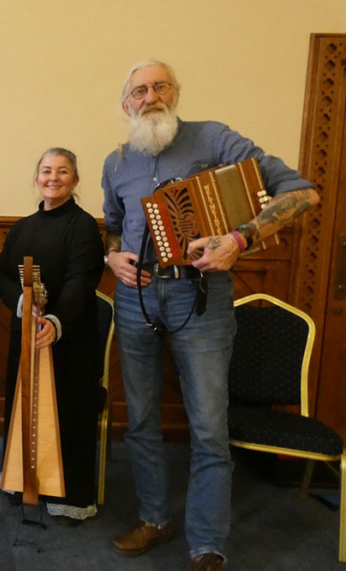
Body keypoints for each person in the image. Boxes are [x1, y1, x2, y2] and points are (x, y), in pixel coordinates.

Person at [102, 59, 319, 571]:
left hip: (201, 300)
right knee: (142, 420)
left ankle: (207, 544)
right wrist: (112, 255)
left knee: (208, 427)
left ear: (175, 92)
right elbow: (113, 227)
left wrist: (240, 239)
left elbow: (303, 192)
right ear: (125, 103)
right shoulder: (116, 162)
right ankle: (154, 518)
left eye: (159, 86)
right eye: (138, 90)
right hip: (136, 300)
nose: (149, 96)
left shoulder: (216, 139)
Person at [0, 147, 104, 523]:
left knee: (69, 411)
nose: (52, 178)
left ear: (74, 180)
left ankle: (68, 494)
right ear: (37, 177)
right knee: (21, 404)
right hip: (25, 333)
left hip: (69, 337)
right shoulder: (23, 227)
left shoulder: (84, 225)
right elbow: (3, 277)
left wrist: (55, 322)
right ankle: (20, 479)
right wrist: (25, 307)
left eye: (62, 171)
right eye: (46, 171)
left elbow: (81, 280)